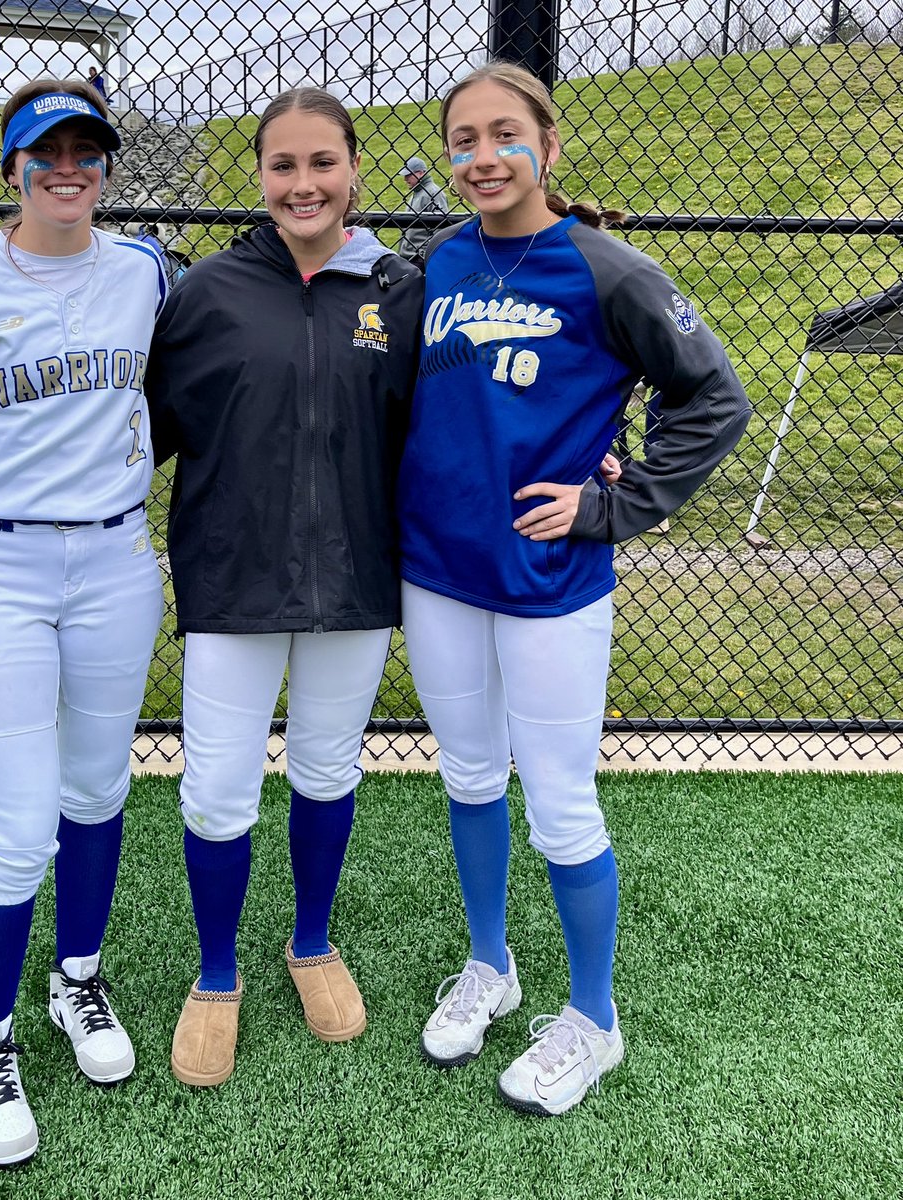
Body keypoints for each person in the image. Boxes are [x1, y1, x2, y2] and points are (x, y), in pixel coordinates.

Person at [397, 62, 751, 1116]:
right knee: (467, 775)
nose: (481, 156)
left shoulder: (606, 268)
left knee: (559, 803)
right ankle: (492, 967)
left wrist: (616, 506)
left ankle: (593, 1020)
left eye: (505, 135)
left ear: (549, 147)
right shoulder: (440, 265)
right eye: (463, 139)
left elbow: (715, 397)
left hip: (550, 578)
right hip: (438, 572)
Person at [0, 80, 167, 1166]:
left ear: (107, 163)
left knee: (100, 790)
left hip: (115, 558)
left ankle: (79, 981)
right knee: (16, 828)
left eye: (86, 150)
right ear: (9, 165)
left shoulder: (147, 270)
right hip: (0, 568)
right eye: (43, 151)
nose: (68, 168)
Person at [144, 88, 425, 1088]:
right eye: (283, 166)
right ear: (258, 176)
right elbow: (144, 431)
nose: (303, 184)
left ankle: (311, 943)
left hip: (354, 578)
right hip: (234, 576)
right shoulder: (207, 293)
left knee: (326, 769)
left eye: (322, 163)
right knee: (218, 793)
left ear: (352, 169)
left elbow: (446, 425)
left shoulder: (399, 289)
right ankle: (216, 974)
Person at [397, 154, 449, 262]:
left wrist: (426, 253)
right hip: (409, 256)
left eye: (408, 175)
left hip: (420, 257)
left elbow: (441, 227)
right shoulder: (416, 194)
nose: (405, 179)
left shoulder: (434, 193)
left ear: (421, 173)